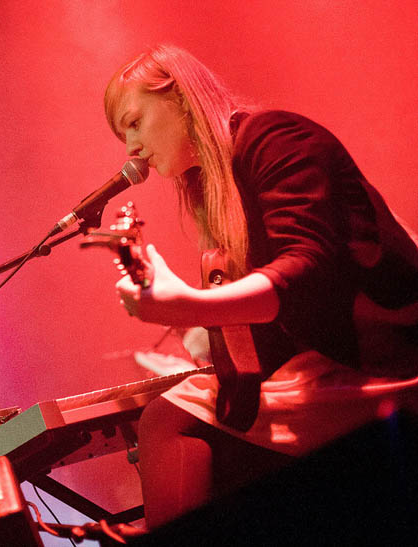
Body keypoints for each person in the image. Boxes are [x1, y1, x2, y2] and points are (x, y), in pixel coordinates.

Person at [105, 45, 418, 530]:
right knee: (171, 419)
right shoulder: (217, 188)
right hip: (331, 357)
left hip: (389, 354)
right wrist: (205, 339)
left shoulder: (273, 136)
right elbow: (276, 317)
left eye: (134, 122)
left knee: (166, 422)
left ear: (180, 100)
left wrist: (188, 307)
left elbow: (306, 269)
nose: (130, 148)